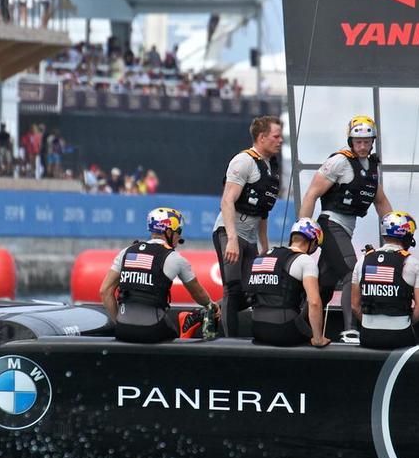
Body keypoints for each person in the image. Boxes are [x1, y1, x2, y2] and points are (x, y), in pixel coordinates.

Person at [298, 115, 393, 343]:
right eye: (358, 141)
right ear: (351, 141)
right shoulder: (339, 161)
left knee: (324, 285)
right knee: (352, 273)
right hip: (330, 224)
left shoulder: (371, 166)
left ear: (373, 141)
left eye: (367, 141)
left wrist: (394, 233)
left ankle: (298, 326)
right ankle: (350, 329)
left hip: (346, 228)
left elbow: (380, 201)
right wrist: (302, 230)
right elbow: (312, 193)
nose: (362, 146)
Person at [99, 207, 220, 343]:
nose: (179, 236)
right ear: (168, 232)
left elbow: (105, 291)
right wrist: (212, 305)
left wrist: (119, 323)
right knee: (174, 334)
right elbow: (199, 295)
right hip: (154, 329)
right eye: (178, 232)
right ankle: (186, 328)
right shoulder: (176, 259)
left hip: (122, 330)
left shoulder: (126, 252)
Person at [212, 115, 283, 338]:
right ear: (262, 138)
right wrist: (232, 239)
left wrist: (265, 247)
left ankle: (208, 312)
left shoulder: (271, 166)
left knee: (254, 291)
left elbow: (263, 211)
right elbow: (226, 200)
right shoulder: (243, 161)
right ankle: (229, 343)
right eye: (276, 136)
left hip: (251, 236)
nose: (280, 140)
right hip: (230, 232)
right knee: (233, 290)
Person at [350, 212, 419, 349]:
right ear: (407, 235)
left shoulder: (362, 261)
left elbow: (355, 307)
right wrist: (406, 323)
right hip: (401, 335)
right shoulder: (414, 263)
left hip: (368, 335)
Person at [247, 218, 329, 348]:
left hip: (257, 329)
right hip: (283, 330)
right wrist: (318, 339)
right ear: (313, 242)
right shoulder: (305, 260)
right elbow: (314, 303)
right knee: (316, 338)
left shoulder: (263, 257)